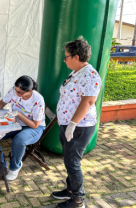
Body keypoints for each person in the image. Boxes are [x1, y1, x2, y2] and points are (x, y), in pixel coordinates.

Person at [52, 37, 102, 208]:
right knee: (68, 160)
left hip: (79, 127)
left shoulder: (90, 75)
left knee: (73, 162)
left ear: (76, 57)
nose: (64, 60)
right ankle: (70, 190)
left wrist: (72, 124)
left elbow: (87, 102)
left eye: (66, 57)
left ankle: (78, 200)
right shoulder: (77, 72)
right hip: (68, 124)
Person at [0, 75, 46, 180]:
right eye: (16, 90)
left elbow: (35, 124)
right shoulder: (14, 91)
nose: (17, 94)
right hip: (15, 123)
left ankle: (14, 168)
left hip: (33, 127)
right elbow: (3, 102)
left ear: (29, 90)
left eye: (20, 93)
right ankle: (0, 163)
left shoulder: (38, 100)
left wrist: (19, 114)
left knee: (19, 140)